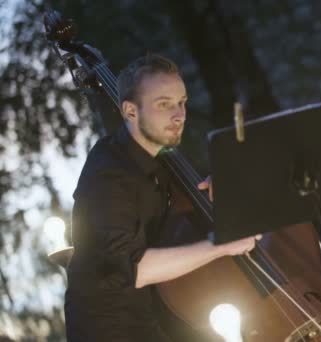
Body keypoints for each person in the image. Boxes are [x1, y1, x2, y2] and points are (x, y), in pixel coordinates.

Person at [64, 54, 259, 341]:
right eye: (164, 104)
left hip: (156, 318)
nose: (179, 114)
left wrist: (212, 187)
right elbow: (135, 269)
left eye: (182, 102)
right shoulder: (108, 176)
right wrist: (221, 245)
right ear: (130, 111)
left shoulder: (164, 158)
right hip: (107, 329)